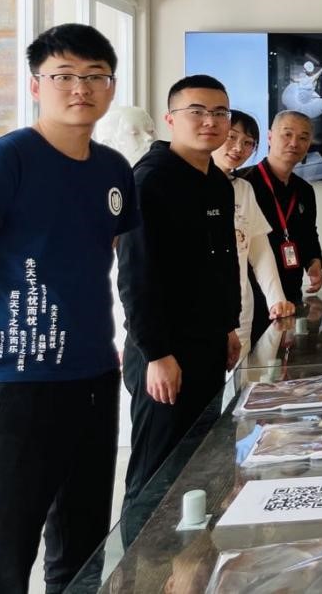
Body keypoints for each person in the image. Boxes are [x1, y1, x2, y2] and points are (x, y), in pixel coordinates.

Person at [0, 24, 137, 594]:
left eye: (95, 76)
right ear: (36, 85)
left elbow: (101, 261)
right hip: (16, 389)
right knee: (0, 557)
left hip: (94, 379)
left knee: (81, 549)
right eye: (64, 76)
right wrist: (1, 351)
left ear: (110, 86)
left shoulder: (113, 169)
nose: (81, 88)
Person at [117, 74, 242, 511]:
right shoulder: (149, 181)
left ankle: (192, 551)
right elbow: (135, 277)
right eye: (198, 112)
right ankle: (138, 553)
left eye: (220, 112)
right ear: (170, 119)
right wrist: (156, 354)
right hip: (163, 353)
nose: (210, 121)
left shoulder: (216, 182)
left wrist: (228, 326)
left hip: (208, 343)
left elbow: (224, 262)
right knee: (157, 472)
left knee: (199, 462)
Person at [211, 110, 294, 351]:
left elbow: (259, 251)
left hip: (240, 312)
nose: (239, 148)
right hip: (200, 316)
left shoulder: (244, 189)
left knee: (242, 373)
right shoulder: (187, 184)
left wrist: (276, 300)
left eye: (248, 143)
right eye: (232, 137)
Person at [241, 110, 322, 331]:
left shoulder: (304, 190)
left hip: (291, 293)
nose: (294, 143)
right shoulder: (243, 184)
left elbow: (309, 234)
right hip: (251, 296)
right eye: (287, 134)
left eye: (303, 137)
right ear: (270, 137)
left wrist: (314, 263)